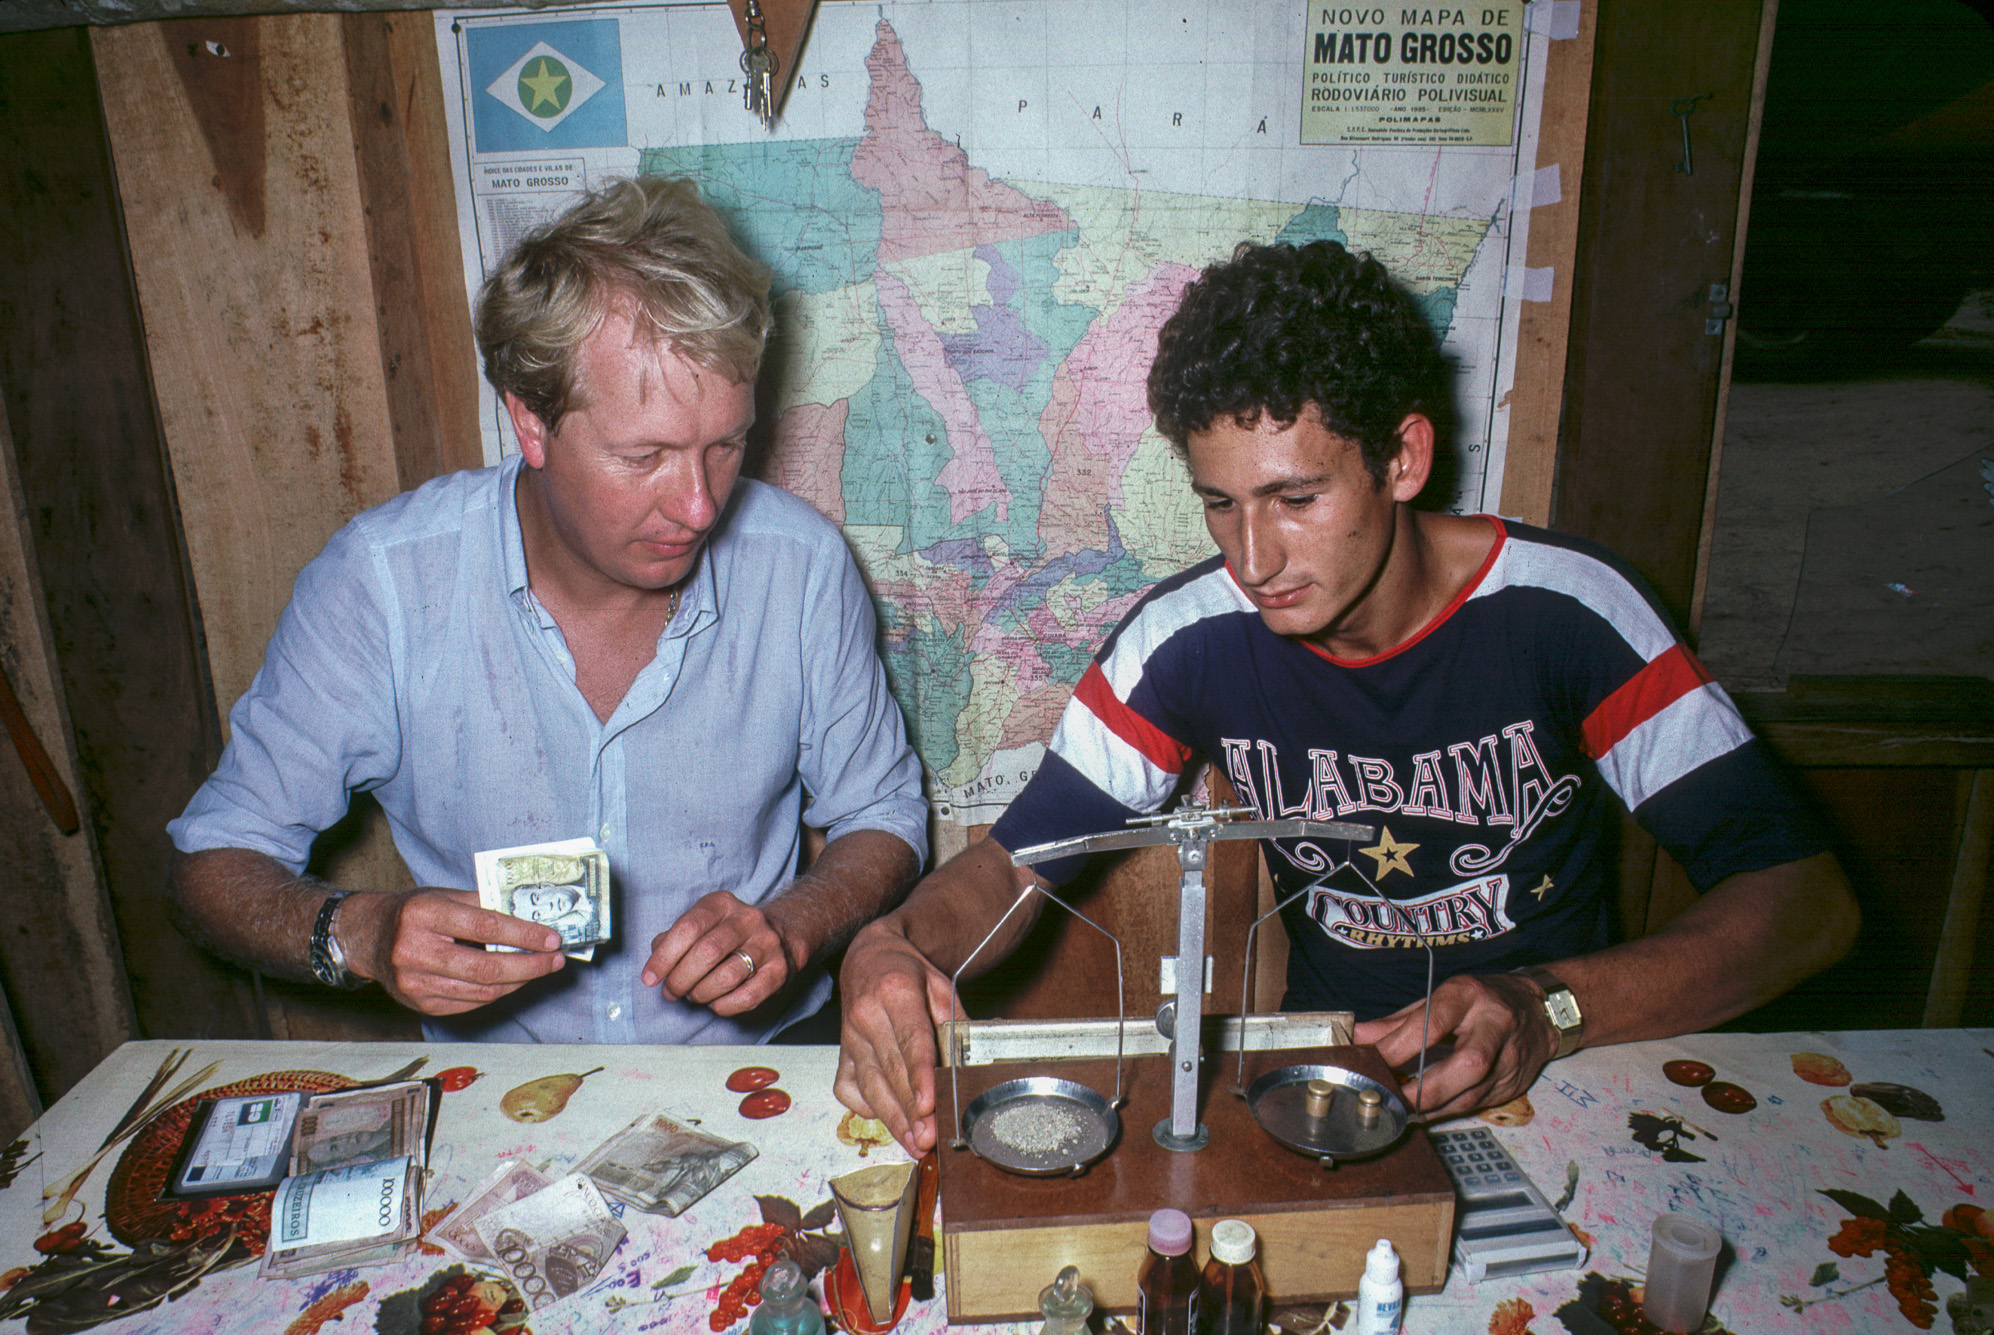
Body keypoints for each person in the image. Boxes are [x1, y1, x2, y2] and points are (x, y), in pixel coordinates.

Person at [835, 239, 1859, 1154]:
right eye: (1220, 505)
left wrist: (1547, 1006)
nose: (1253, 556)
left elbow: (1804, 905)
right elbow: (1020, 862)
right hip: (1325, 1082)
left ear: (1402, 458)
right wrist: (894, 945)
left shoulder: (1566, 612)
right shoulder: (1184, 641)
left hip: (1561, 1071)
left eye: (1295, 499)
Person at [167, 176, 927, 1046]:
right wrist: (362, 935)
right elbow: (212, 864)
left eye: (726, 445)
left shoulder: (800, 567)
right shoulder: (382, 586)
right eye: (645, 456)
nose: (700, 506)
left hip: (753, 1068)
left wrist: (796, 925)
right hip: (502, 1099)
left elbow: (883, 812)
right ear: (530, 422)